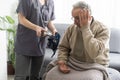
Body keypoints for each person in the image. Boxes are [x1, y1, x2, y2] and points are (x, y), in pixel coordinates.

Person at [44, 1, 111, 80]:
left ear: (88, 16)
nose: (74, 22)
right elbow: (63, 47)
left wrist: (85, 28)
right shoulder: (71, 28)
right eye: (73, 18)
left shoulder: (103, 29)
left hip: (94, 65)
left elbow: (94, 53)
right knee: (51, 75)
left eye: (77, 18)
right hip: (73, 62)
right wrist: (62, 62)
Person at [14, 0, 57, 80]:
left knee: (35, 76)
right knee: (20, 77)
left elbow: (48, 21)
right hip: (24, 43)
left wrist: (54, 30)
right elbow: (21, 19)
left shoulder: (50, 2)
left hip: (40, 45)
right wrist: (36, 27)